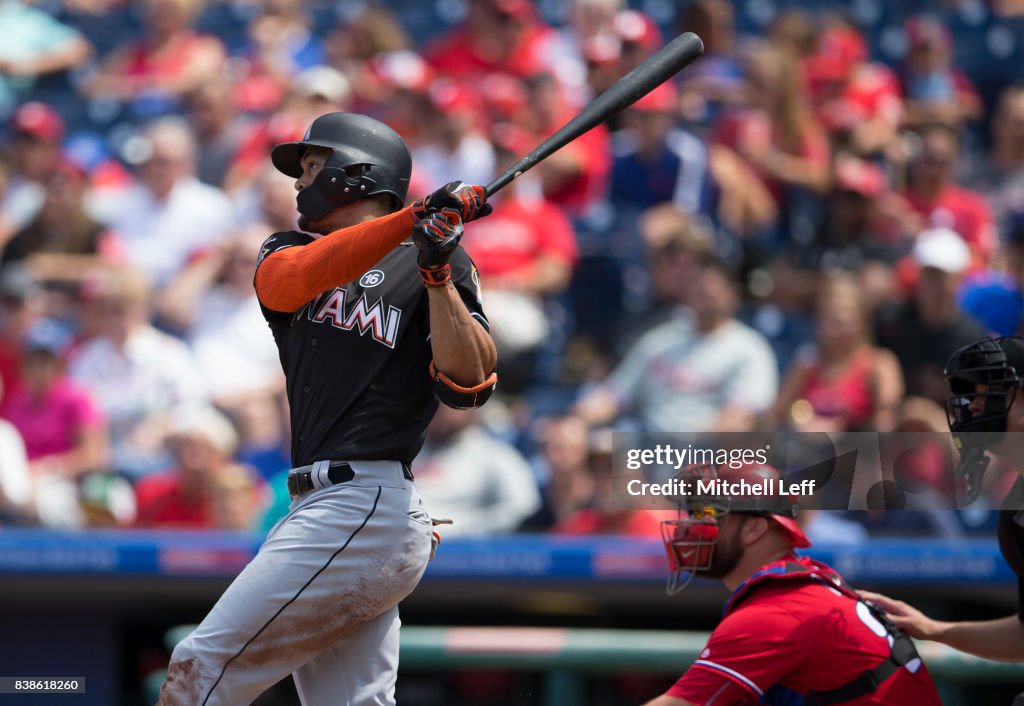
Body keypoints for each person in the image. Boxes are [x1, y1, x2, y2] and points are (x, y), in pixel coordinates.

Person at [158, 111, 498, 706]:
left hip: (363, 499)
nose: (298, 182)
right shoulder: (289, 248)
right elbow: (287, 283)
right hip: (322, 505)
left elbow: (469, 383)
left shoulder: (431, 261)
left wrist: (439, 273)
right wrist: (410, 221)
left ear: (357, 173)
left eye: (312, 166)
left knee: (199, 668)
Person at [645, 462, 942, 705]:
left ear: (754, 528)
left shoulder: (777, 610)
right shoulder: (802, 581)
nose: (689, 525)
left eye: (707, 512)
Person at [860, 335, 1024, 663]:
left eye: (994, 394)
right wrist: (933, 629)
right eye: (973, 396)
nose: (975, 406)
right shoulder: (1016, 508)